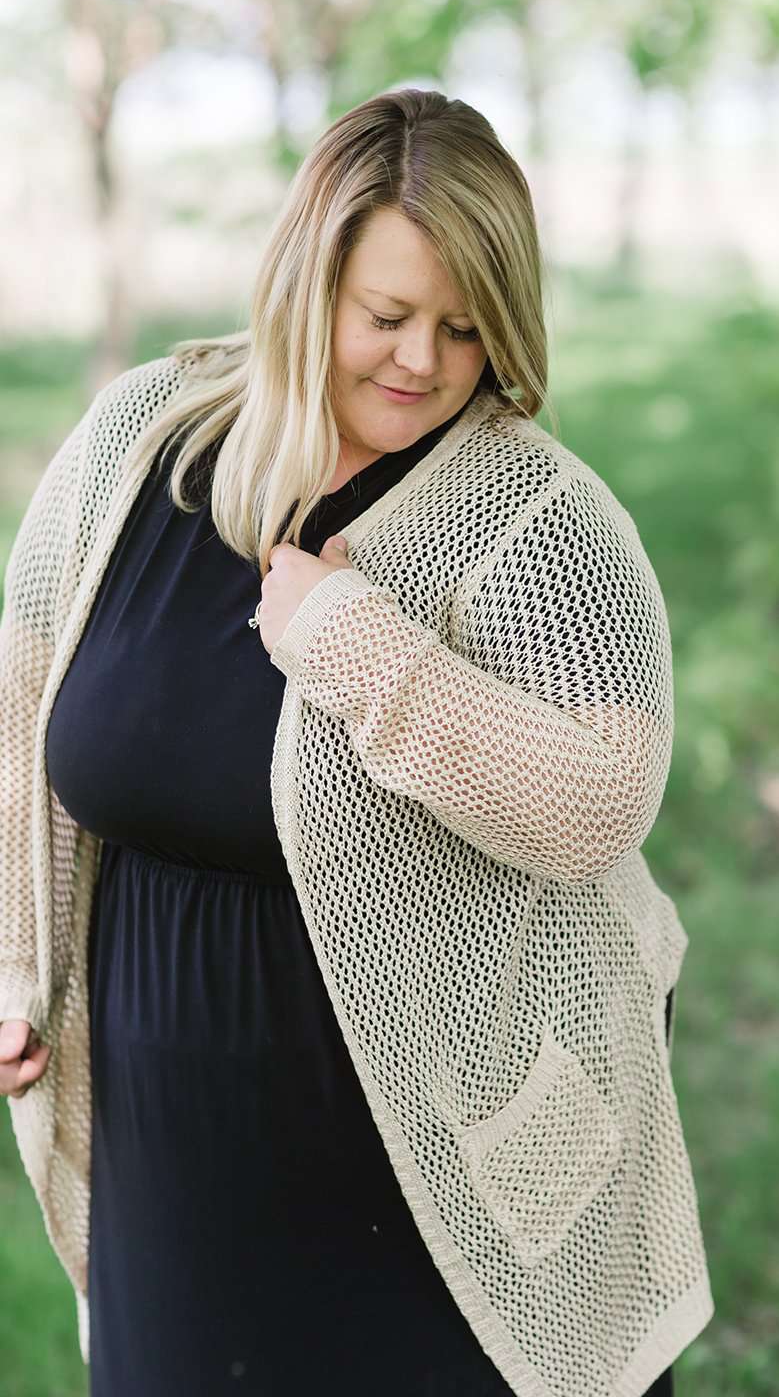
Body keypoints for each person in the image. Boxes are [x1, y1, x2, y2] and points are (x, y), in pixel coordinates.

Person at [0, 87, 713, 1395]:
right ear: (301, 286)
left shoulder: (542, 521)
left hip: (449, 1188)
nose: (424, 362)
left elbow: (604, 802)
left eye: (463, 325)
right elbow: (24, 706)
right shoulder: (135, 447)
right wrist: (9, 956)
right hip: (182, 1172)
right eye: (386, 316)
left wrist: (355, 650)